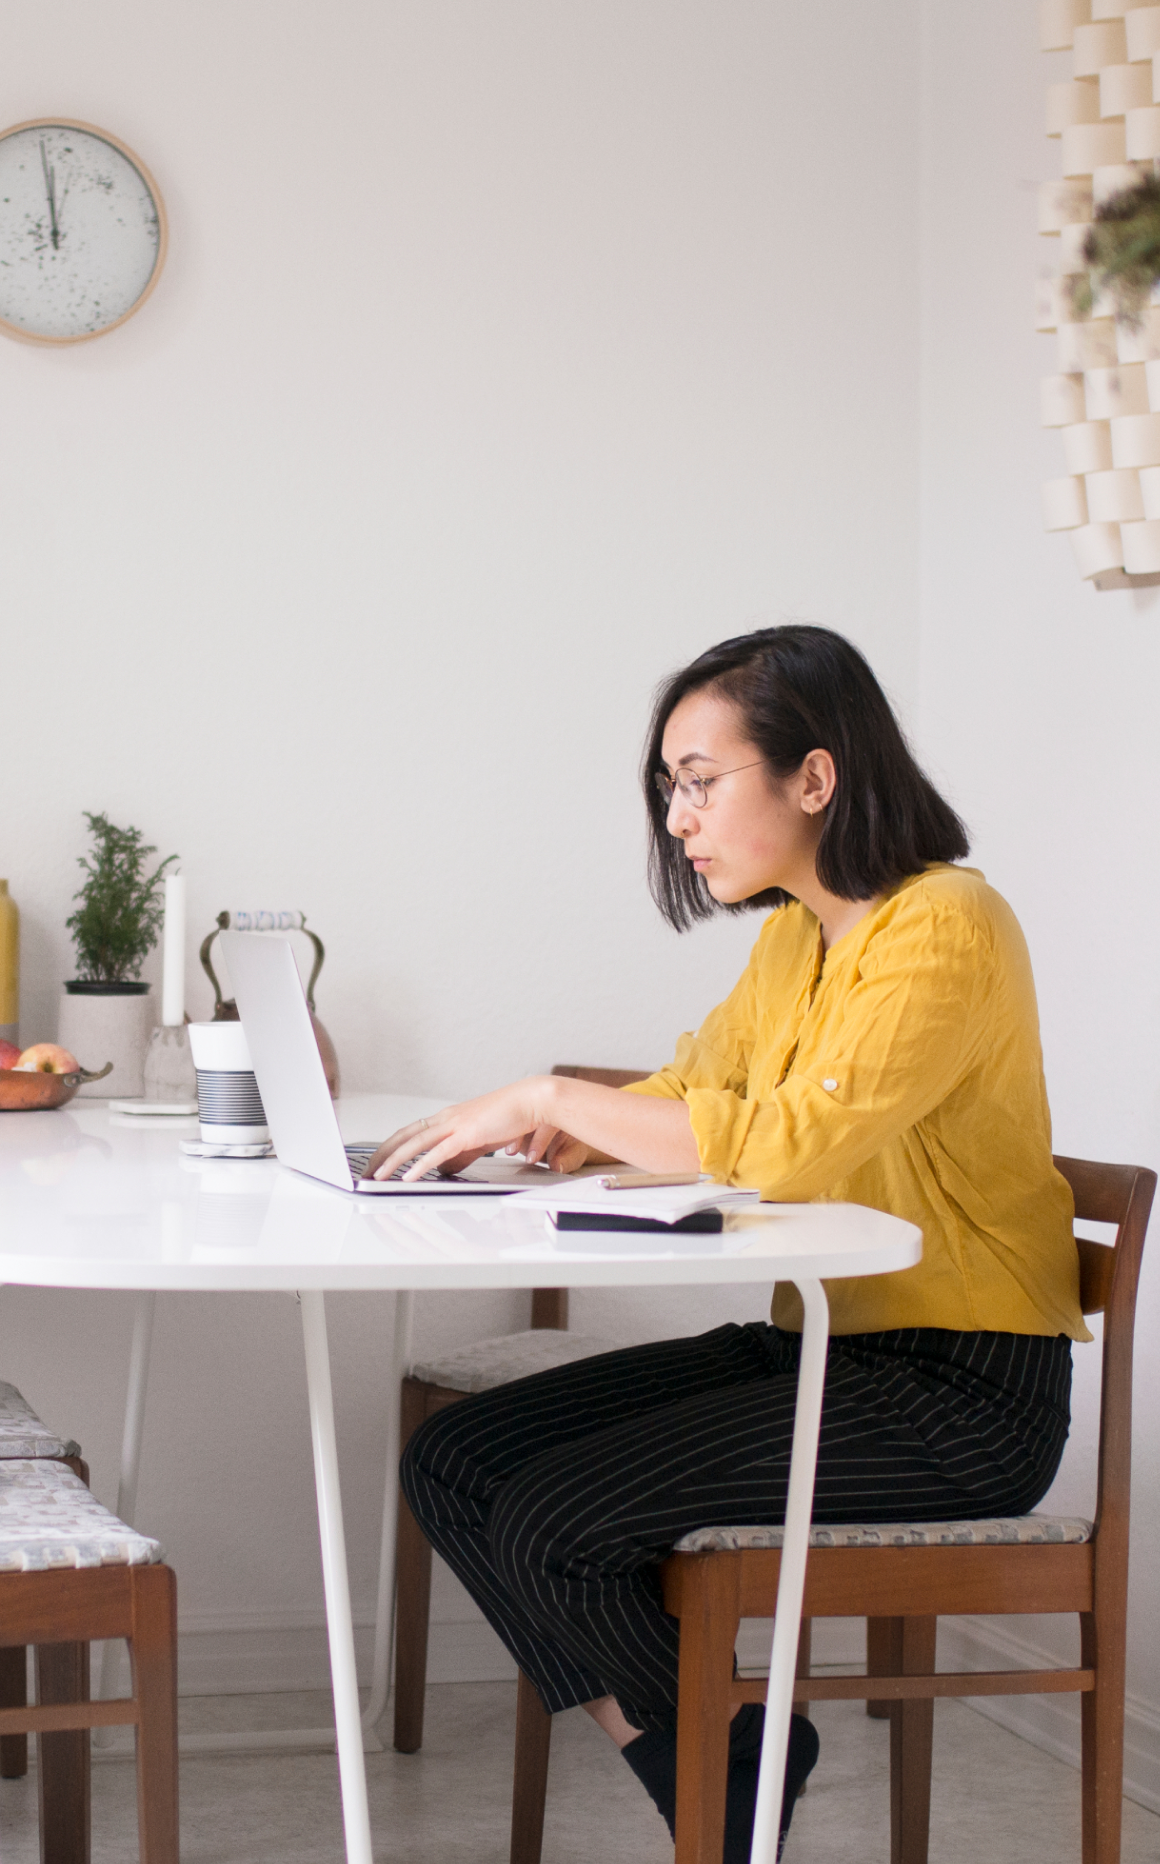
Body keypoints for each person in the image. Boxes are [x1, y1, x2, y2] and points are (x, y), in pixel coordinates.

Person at [372, 624, 1084, 1861]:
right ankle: (733, 1754)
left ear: (816, 778)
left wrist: (551, 1096)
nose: (679, 817)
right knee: (455, 1463)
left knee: (552, 1519)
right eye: (670, 788)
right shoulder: (793, 938)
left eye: (701, 781)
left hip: (962, 1392)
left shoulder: (944, 924)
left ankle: (718, 1792)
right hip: (828, 1349)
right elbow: (702, 1088)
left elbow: (792, 1142)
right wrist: (565, 1139)